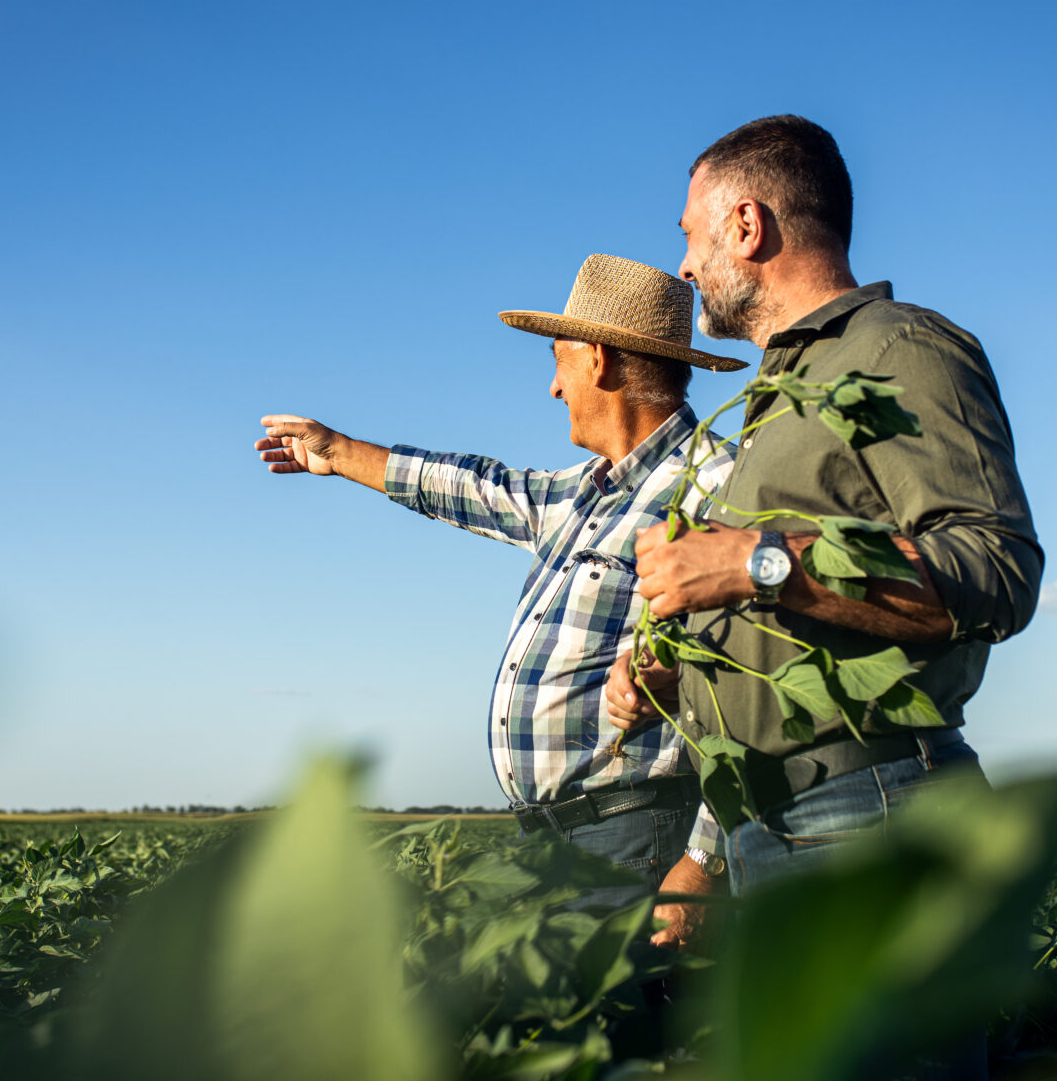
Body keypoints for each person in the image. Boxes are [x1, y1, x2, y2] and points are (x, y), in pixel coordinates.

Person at [604, 116, 1042, 1081]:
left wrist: (752, 560)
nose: (684, 261)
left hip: (870, 812)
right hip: (783, 821)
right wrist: (674, 663)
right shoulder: (775, 396)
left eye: (691, 231)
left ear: (746, 224)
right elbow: (794, 621)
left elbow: (995, 568)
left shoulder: (903, 352)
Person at [256, 254, 743, 893]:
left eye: (557, 362)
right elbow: (470, 486)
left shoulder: (720, 487)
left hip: (642, 838)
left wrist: (702, 863)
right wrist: (339, 451)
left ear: (598, 358)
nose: (554, 388)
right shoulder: (577, 495)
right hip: (558, 839)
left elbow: (746, 694)